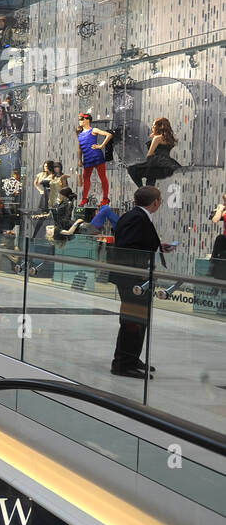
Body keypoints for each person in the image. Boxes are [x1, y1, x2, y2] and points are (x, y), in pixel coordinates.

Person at [109, 186, 173, 379]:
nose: (160, 202)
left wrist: (156, 246)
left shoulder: (136, 216)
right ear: (155, 202)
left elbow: (134, 242)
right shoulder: (137, 218)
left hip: (135, 277)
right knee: (132, 321)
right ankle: (123, 364)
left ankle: (131, 358)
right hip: (132, 278)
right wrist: (140, 272)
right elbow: (127, 247)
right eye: (160, 199)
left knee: (137, 319)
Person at [126, 118, 180, 188]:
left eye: (153, 126)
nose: (152, 127)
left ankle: (142, 189)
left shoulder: (157, 138)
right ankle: (147, 192)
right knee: (151, 177)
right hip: (166, 162)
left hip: (155, 160)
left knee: (131, 169)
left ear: (159, 127)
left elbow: (150, 153)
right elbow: (163, 149)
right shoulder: (169, 138)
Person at [76, 112, 113, 205]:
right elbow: (80, 148)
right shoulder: (80, 134)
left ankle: (105, 198)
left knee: (102, 177)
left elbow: (108, 135)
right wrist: (80, 159)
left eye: (81, 119)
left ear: (87, 120)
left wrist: (101, 146)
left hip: (97, 156)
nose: (80, 121)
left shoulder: (94, 130)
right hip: (87, 158)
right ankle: (84, 198)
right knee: (86, 178)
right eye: (79, 119)